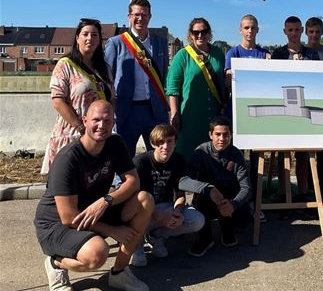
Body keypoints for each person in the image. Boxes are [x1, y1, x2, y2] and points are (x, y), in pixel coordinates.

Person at [34, 100, 153, 291]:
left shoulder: (114, 143)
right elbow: (69, 216)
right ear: (85, 120)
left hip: (93, 210)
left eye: (107, 121)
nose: (101, 126)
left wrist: (107, 200)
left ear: (113, 121)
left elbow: (133, 182)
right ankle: (55, 263)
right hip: (57, 224)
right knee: (97, 254)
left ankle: (119, 273)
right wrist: (113, 231)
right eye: (96, 120)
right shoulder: (68, 159)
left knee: (144, 200)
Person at [41, 18, 114, 174]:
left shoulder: (104, 68)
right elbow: (58, 101)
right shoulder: (65, 64)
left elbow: (111, 99)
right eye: (85, 34)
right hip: (72, 134)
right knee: (65, 188)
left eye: (94, 35)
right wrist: (81, 127)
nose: (90, 38)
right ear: (77, 38)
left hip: (97, 137)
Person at [132, 124, 205, 267]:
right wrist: (156, 215)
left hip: (167, 206)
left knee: (197, 220)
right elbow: (132, 198)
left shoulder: (178, 160)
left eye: (169, 141)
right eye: (160, 142)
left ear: (175, 142)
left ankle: (157, 236)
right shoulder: (140, 162)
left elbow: (180, 194)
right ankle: (137, 244)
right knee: (141, 205)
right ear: (153, 143)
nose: (165, 146)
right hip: (142, 209)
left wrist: (177, 212)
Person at [104, 0, 169, 157]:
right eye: (136, 15)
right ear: (129, 17)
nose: (140, 19)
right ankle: (123, 183)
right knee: (124, 156)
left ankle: (155, 182)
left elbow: (163, 75)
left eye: (144, 15)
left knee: (158, 155)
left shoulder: (160, 43)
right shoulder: (116, 43)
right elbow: (106, 78)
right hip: (127, 110)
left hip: (154, 110)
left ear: (150, 17)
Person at [180, 116, 252, 257]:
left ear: (231, 135)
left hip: (229, 198)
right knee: (200, 201)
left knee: (244, 220)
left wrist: (234, 204)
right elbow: (183, 181)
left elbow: (246, 188)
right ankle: (205, 238)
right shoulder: (201, 152)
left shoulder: (236, 154)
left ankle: (227, 227)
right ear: (210, 135)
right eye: (217, 134)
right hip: (207, 199)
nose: (221, 139)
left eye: (226, 134)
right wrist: (208, 188)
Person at [224, 14, 270, 221]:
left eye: (253, 28)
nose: (250, 31)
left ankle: (253, 202)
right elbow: (227, 83)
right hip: (237, 112)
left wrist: (270, 65)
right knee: (235, 158)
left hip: (258, 114)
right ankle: (234, 200)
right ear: (240, 30)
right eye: (246, 28)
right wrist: (232, 75)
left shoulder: (264, 54)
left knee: (256, 160)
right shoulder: (233, 53)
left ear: (258, 30)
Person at [271, 16, 319, 205]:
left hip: (304, 107)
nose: (293, 33)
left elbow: (316, 80)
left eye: (297, 30)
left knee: (303, 157)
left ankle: (302, 194)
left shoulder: (311, 54)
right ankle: (285, 196)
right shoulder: (277, 54)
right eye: (290, 30)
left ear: (302, 31)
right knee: (284, 156)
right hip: (285, 106)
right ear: (285, 32)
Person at [167, 17, 225, 162]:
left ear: (209, 33)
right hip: (191, 116)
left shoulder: (218, 54)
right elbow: (173, 88)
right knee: (189, 154)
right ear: (190, 34)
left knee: (213, 155)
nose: (200, 35)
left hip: (215, 114)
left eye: (204, 31)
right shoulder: (182, 55)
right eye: (196, 32)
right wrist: (174, 114)